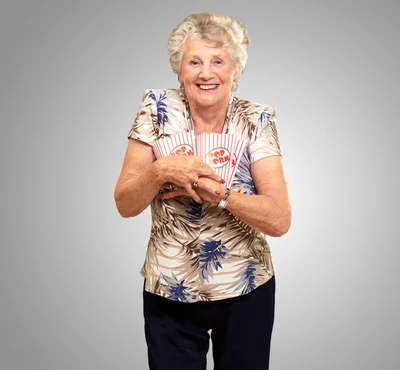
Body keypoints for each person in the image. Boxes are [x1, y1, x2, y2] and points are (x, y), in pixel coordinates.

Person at [114, 12, 291, 370]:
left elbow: (280, 219)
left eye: (218, 61)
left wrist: (224, 196)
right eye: (194, 61)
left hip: (246, 287)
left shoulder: (256, 119)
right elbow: (125, 202)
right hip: (169, 287)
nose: (205, 73)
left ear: (235, 70)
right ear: (179, 70)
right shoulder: (158, 110)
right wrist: (160, 171)